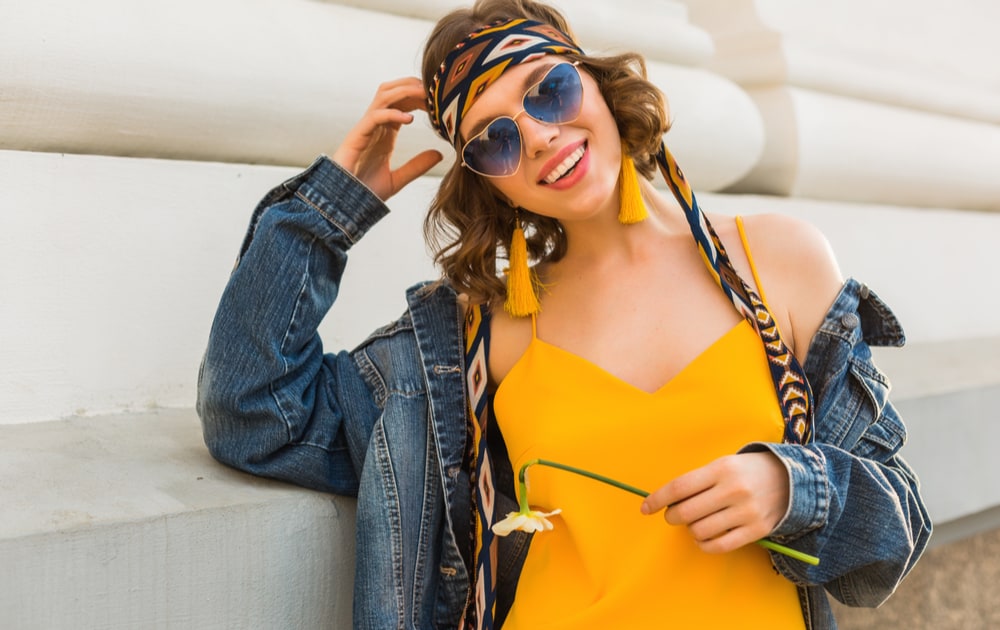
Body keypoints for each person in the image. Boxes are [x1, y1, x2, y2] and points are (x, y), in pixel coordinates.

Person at [197, 0, 931, 628]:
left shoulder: (778, 263)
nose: (541, 135)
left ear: (597, 83)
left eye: (546, 91)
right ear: (492, 184)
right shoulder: (481, 337)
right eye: (496, 138)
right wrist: (331, 207)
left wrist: (791, 489)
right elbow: (256, 411)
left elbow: (896, 528)